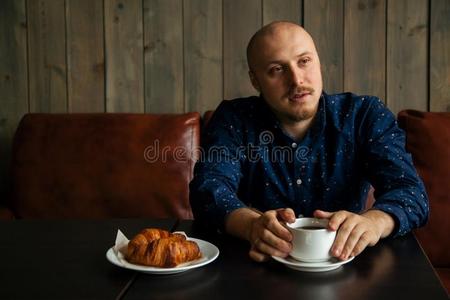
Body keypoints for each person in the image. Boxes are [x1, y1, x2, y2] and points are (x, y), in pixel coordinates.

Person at [189, 21, 429, 262]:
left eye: (304, 61)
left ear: (318, 62)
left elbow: (410, 192)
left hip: (346, 267)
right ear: (255, 80)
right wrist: (251, 225)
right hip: (257, 266)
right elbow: (208, 189)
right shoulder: (234, 119)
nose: (297, 80)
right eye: (277, 69)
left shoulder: (365, 115)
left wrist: (373, 223)